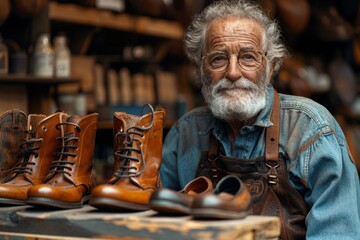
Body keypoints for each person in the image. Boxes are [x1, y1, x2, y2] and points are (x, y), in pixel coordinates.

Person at [159, 0, 360, 239]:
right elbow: (158, 225)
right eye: (218, 59)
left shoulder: (312, 129)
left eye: (248, 57)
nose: (233, 73)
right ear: (202, 70)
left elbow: (337, 233)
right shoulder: (186, 133)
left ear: (270, 67)